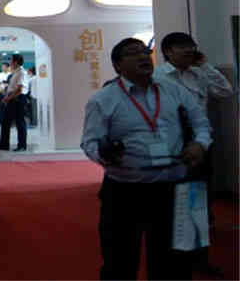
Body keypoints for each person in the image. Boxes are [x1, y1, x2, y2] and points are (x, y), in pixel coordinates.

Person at [81, 37, 212, 280]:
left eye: (145, 51)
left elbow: (201, 123)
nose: (143, 56)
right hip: (125, 191)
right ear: (118, 65)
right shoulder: (103, 99)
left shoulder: (173, 90)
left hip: (174, 188)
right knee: (120, 261)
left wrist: (199, 144)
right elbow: (89, 142)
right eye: (133, 53)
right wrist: (105, 154)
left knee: (174, 264)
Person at [154, 31, 233, 276]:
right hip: (171, 147)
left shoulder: (199, 74)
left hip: (200, 142)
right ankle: (174, 259)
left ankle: (198, 259)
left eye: (191, 46)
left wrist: (205, 65)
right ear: (168, 52)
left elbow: (225, 91)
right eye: (182, 47)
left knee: (198, 201)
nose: (189, 50)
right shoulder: (158, 77)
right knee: (171, 203)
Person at [0, 54, 28, 151]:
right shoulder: (15, 72)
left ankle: (22, 146)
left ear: (16, 62)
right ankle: (4, 145)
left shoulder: (21, 72)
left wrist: (8, 98)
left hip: (18, 99)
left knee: (20, 122)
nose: (9, 62)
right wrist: (7, 96)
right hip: (11, 98)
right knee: (5, 122)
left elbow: (19, 89)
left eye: (11, 60)